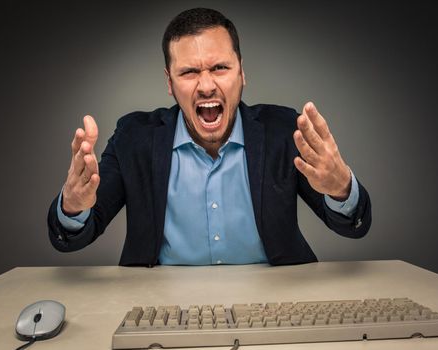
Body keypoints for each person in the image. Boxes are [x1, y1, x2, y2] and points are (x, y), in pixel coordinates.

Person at [47, 8, 371, 266]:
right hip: (163, 305)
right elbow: (76, 235)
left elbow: (351, 226)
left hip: (275, 301)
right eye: (189, 72)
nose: (205, 86)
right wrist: (73, 207)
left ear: (242, 72)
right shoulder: (134, 138)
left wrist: (342, 188)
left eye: (219, 68)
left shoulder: (284, 130)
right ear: (170, 83)